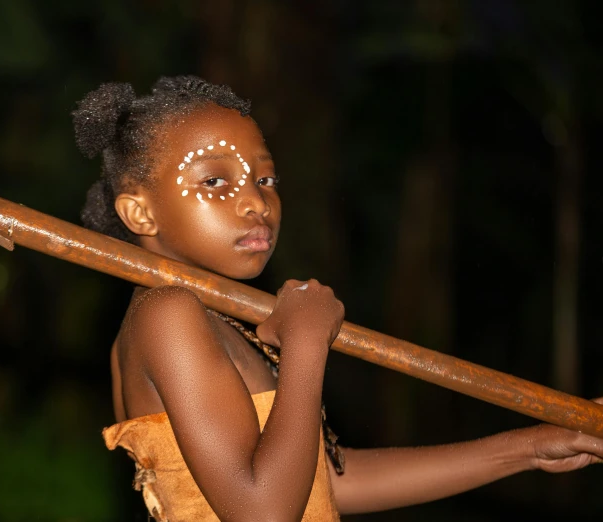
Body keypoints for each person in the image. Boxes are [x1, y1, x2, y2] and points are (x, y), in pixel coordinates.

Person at [72, 76, 603, 521]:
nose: (257, 201)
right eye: (216, 181)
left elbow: (325, 484)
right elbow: (263, 513)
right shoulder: (167, 314)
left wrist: (531, 447)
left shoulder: (215, 318)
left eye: (265, 177)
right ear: (141, 214)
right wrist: (306, 342)